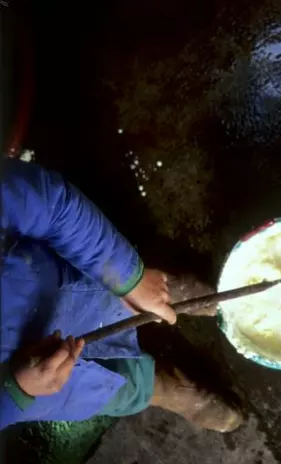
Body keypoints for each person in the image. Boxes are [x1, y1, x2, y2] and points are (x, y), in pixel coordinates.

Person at [0, 158, 243, 432]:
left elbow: (49, 203)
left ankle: (166, 290)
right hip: (28, 385)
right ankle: (164, 388)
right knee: (96, 390)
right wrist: (14, 392)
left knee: (107, 283)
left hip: (44, 278)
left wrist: (129, 278)